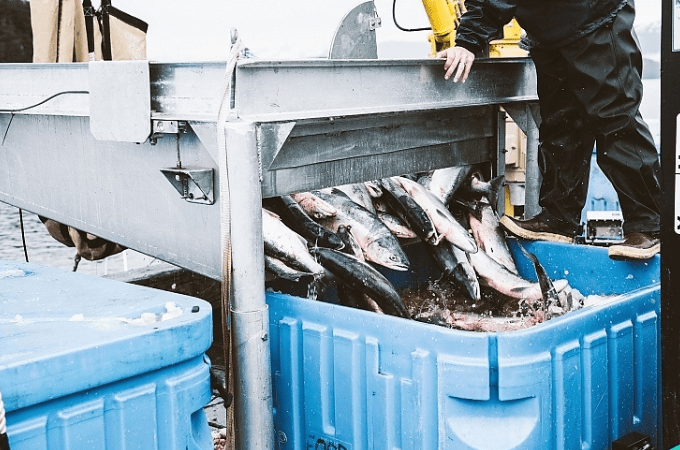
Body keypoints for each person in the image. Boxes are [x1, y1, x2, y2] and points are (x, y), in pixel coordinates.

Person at [437, 0, 661, 260]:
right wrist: (468, 39)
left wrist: (469, 39)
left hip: (596, 18)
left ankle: (649, 226)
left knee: (615, 119)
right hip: (548, 33)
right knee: (560, 126)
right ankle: (559, 219)